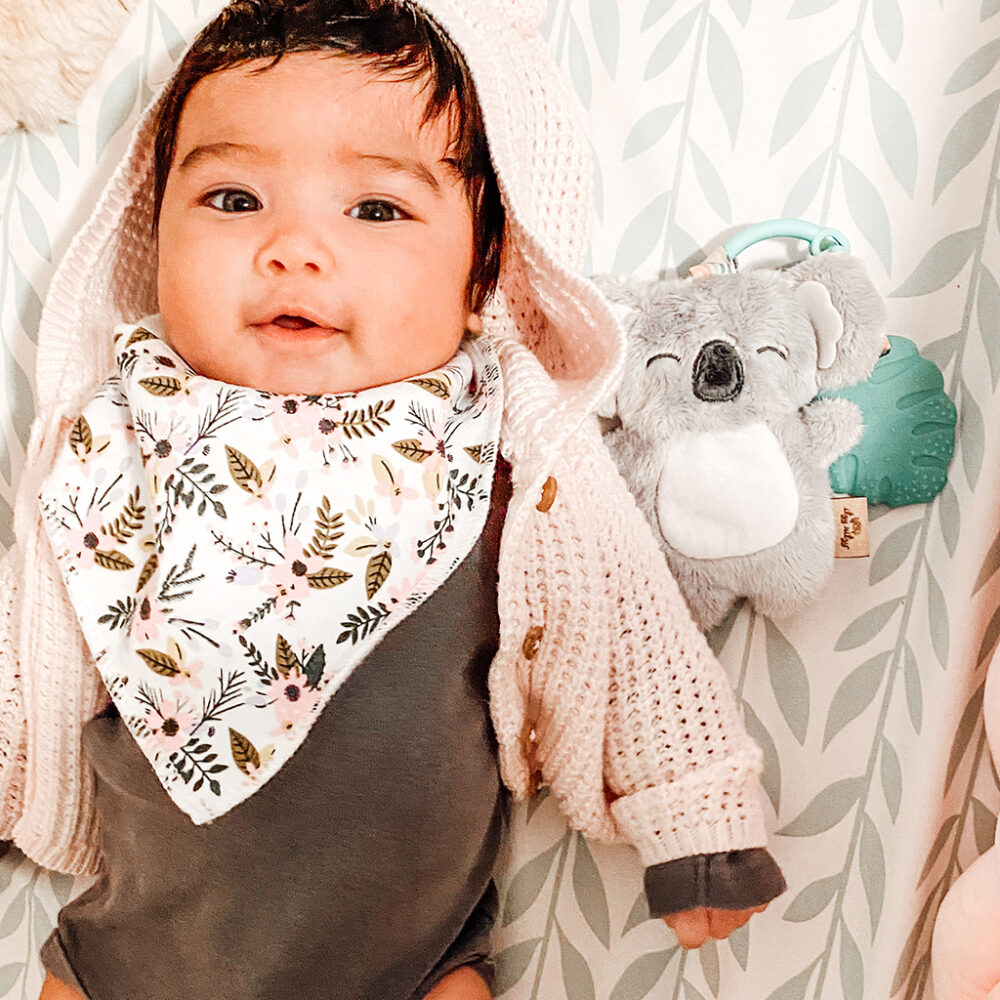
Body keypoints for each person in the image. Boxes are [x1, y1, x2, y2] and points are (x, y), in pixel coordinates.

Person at [0, 1, 786, 998]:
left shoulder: (503, 447)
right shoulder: (121, 439)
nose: (292, 247)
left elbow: (624, 622)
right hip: (120, 962)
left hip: (414, 968)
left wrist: (697, 823)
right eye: (234, 197)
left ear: (481, 272)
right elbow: (32, 640)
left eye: (374, 210)